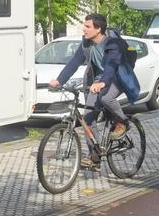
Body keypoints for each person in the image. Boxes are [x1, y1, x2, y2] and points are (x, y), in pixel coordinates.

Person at [47, 13, 130, 141]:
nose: (84, 29)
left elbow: (111, 66)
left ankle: (123, 122)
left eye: (87, 26)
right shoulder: (86, 43)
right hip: (97, 81)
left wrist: (103, 82)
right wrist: (60, 80)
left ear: (98, 29)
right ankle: (94, 155)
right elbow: (75, 62)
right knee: (88, 118)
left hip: (117, 77)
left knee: (107, 98)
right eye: (84, 26)